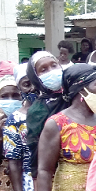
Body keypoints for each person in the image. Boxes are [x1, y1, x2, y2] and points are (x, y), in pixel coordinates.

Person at [25, 51, 68, 180]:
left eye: (54, 65)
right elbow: (36, 155)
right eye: (43, 70)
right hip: (54, 175)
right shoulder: (37, 110)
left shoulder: (76, 97)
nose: (51, 71)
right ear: (35, 78)